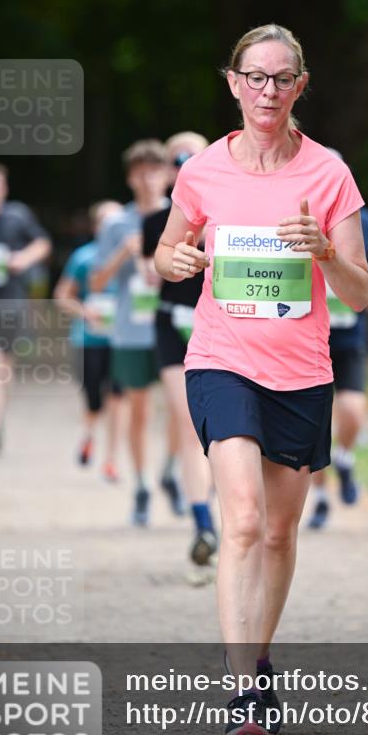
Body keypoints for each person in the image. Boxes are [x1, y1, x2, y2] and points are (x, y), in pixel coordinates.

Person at [154, 24, 368, 735]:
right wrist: (175, 261)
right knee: (243, 520)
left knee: (278, 532)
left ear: (299, 86)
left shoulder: (328, 174)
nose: (267, 91)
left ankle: (261, 655)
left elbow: (362, 293)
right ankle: (243, 687)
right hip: (221, 359)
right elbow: (166, 250)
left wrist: (325, 254)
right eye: (255, 77)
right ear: (233, 83)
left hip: (301, 373)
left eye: (281, 78)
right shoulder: (202, 170)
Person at [143, 133, 217, 574]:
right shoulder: (156, 222)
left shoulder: (234, 216)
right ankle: (204, 525)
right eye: (178, 160)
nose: (185, 164)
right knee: (190, 423)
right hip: (173, 325)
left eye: (194, 157)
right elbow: (151, 275)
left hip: (221, 327)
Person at [91, 140, 169, 526]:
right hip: (131, 331)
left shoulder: (182, 215)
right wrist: (126, 252)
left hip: (177, 327)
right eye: (140, 172)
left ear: (167, 175)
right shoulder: (116, 224)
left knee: (184, 410)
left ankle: (173, 469)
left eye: (155, 171)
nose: (148, 179)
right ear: (129, 178)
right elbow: (96, 283)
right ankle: (141, 484)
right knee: (139, 410)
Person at [308, 189, 368, 529]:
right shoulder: (296, 218)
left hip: (350, 333)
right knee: (314, 422)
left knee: (352, 409)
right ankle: (320, 498)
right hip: (307, 336)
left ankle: (344, 458)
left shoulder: (362, 219)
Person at [0, 163, 52, 454]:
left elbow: (42, 243)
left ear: (4, 190)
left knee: (3, 366)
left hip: (12, 300)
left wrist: (23, 259)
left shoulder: (17, 216)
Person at [54, 200, 126, 481]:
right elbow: (62, 296)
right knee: (94, 399)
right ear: (96, 227)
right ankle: (89, 434)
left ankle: (111, 460)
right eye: (107, 222)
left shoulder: (134, 256)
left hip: (122, 341)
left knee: (118, 397)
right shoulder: (84, 257)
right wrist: (85, 311)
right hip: (88, 339)